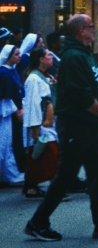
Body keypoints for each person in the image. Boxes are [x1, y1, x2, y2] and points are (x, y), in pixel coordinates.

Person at [25, 14, 98, 242]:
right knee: (66, 174)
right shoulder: (73, 56)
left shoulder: (86, 54)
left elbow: (96, 85)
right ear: (81, 30)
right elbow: (79, 94)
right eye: (91, 27)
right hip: (75, 125)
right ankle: (38, 222)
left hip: (91, 125)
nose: (95, 30)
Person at [22, 47, 59, 198]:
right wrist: (35, 127)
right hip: (42, 122)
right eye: (49, 55)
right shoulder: (33, 79)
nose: (51, 58)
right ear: (41, 59)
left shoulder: (46, 76)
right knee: (48, 154)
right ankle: (54, 189)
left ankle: (31, 187)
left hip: (49, 120)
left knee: (41, 155)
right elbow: (32, 104)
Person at [1, 44, 25, 186]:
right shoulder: (3, 73)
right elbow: (4, 96)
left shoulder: (13, 70)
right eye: (16, 54)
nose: (19, 56)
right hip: (6, 114)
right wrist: (16, 109)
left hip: (13, 112)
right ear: (8, 56)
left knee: (11, 143)